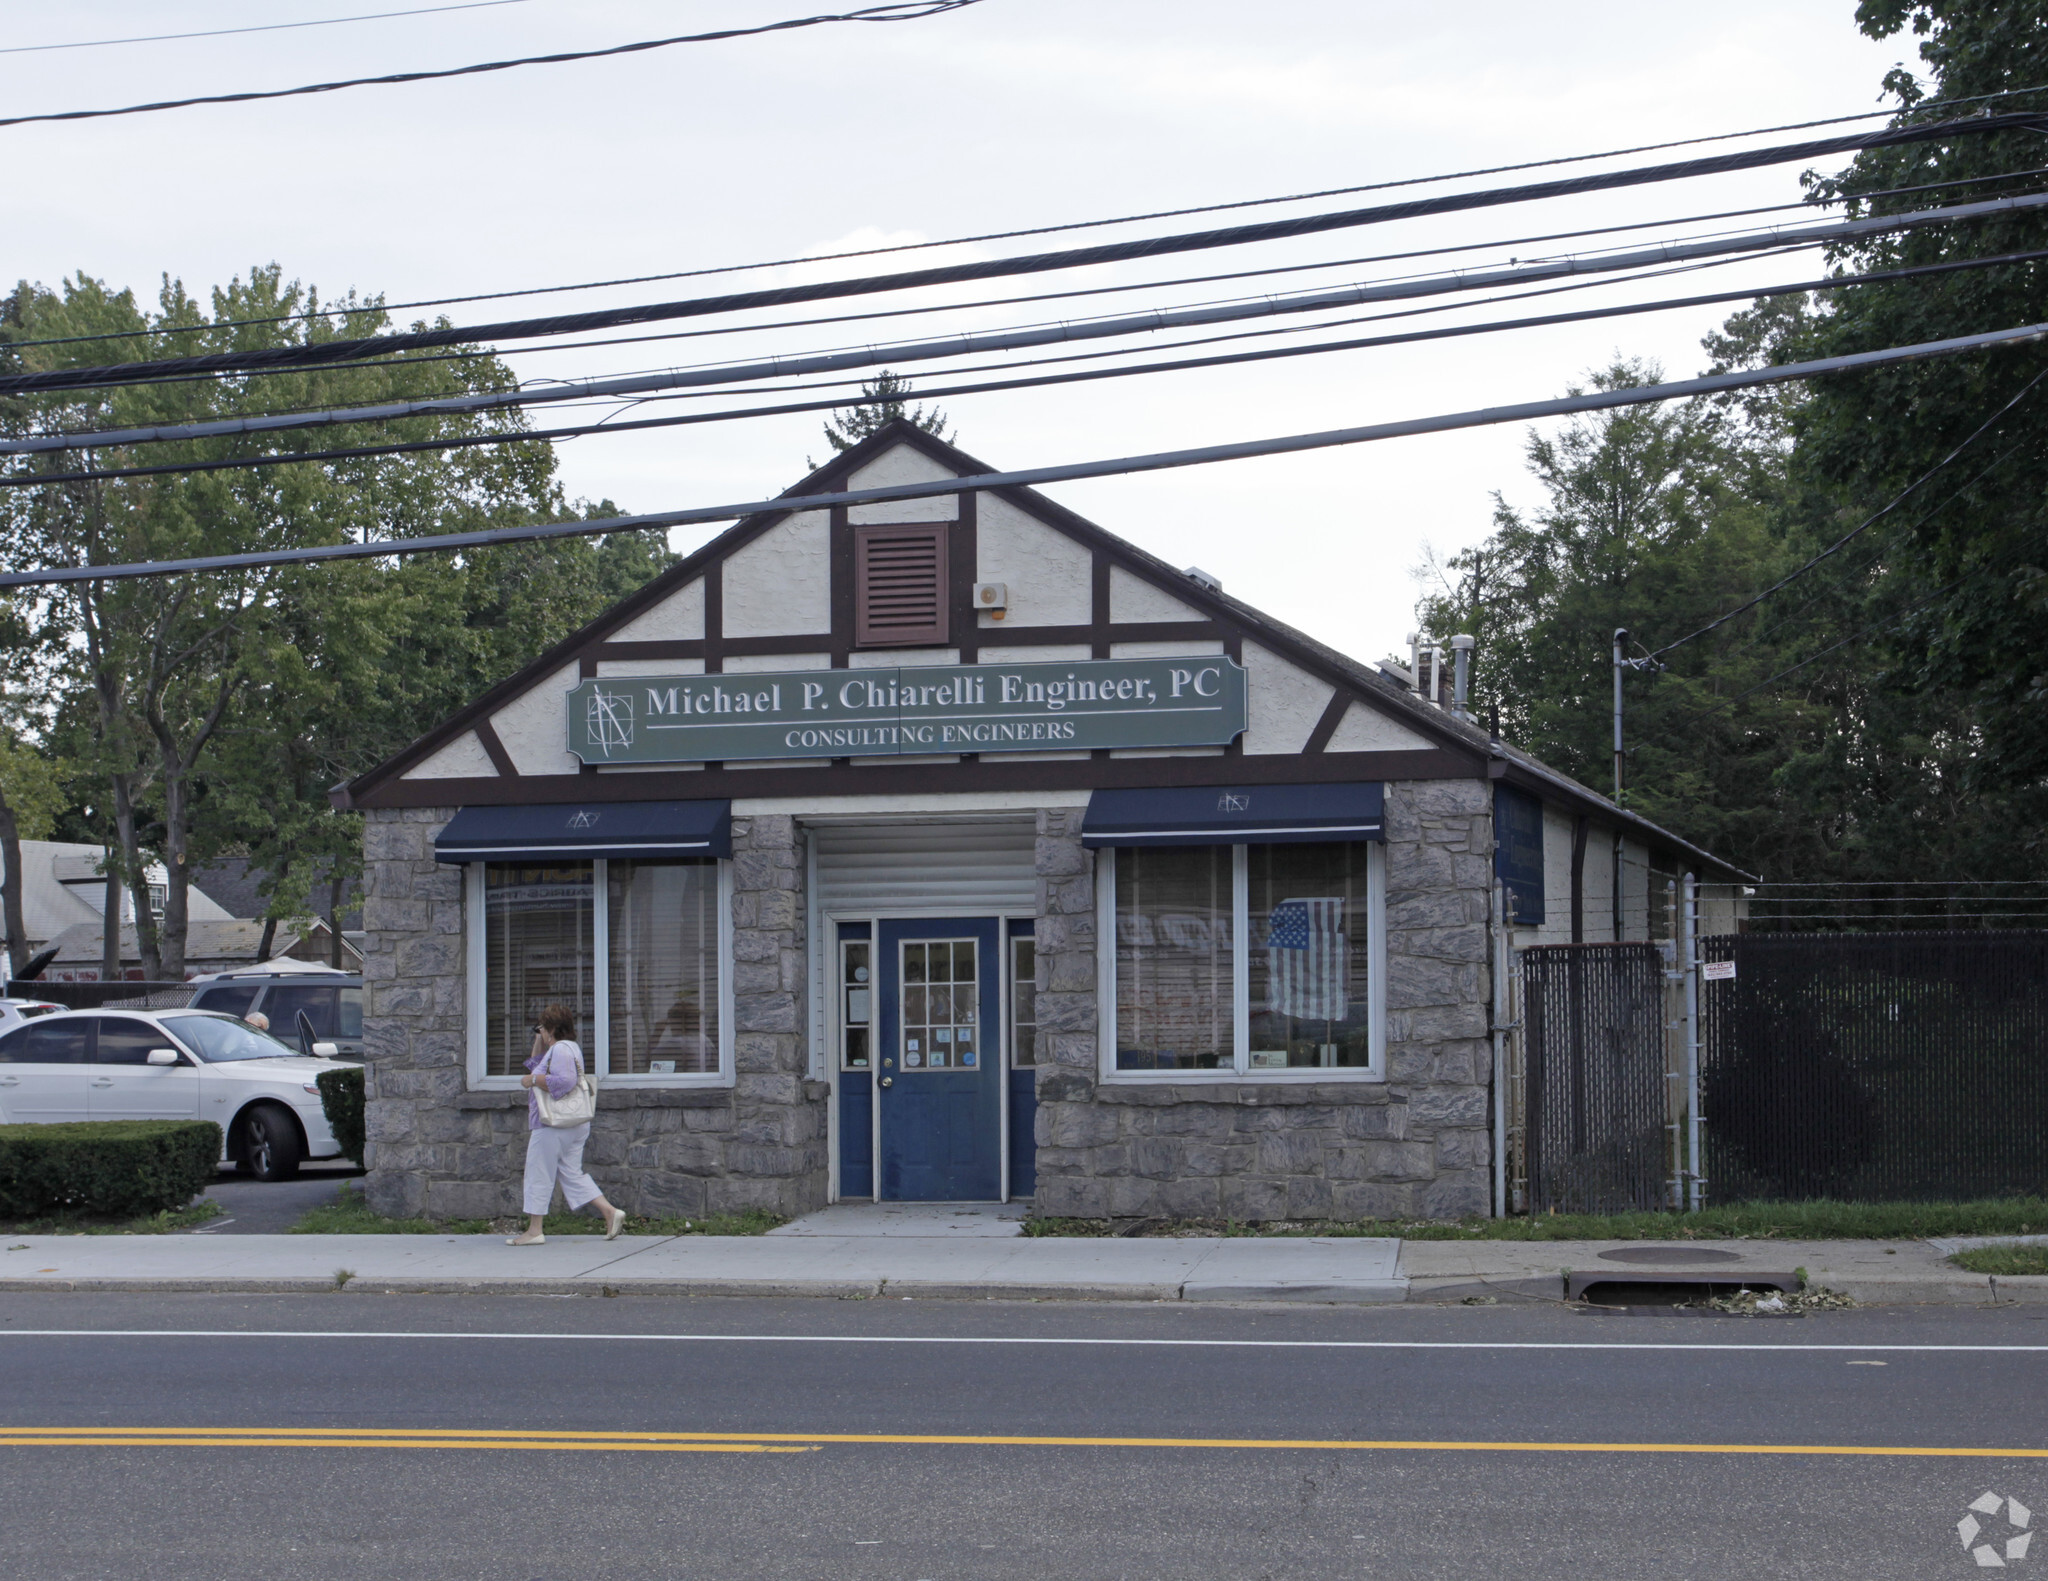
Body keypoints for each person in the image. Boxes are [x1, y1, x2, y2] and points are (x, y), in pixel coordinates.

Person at [510, 1003, 626, 1246]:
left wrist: (530, 1080)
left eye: (541, 1027)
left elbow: (564, 1081)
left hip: (553, 1125)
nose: (539, 1032)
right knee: (571, 1173)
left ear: (551, 1028)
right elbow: (536, 1064)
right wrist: (540, 1043)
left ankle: (534, 1230)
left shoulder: (561, 1050)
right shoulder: (566, 1048)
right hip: (573, 1124)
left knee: (538, 1173)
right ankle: (609, 1212)